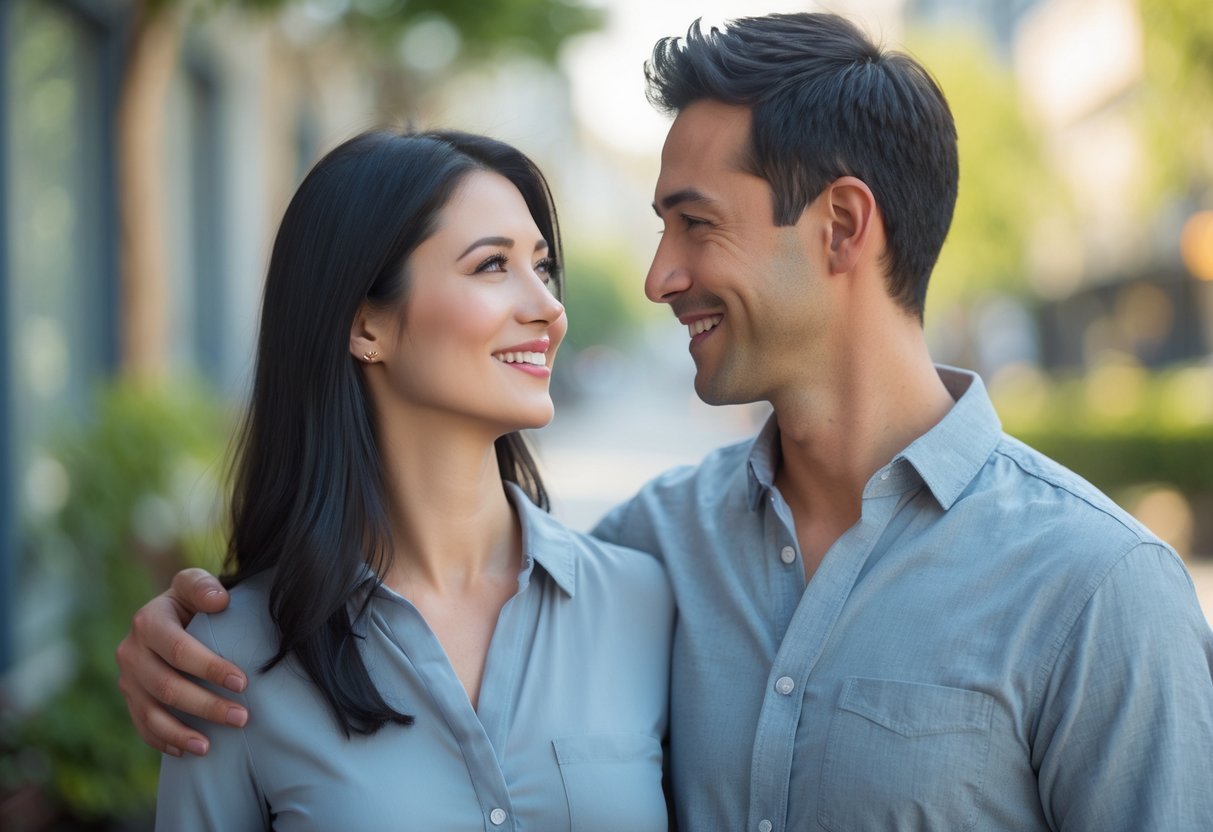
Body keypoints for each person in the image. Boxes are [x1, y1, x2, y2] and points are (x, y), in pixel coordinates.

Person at [119, 13, 1213, 831]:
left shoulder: (1097, 592)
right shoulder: (649, 559)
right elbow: (420, 609)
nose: (654, 278)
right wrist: (186, 640)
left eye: (694, 224)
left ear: (840, 226)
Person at [147, 128, 673, 830]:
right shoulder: (229, 659)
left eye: (541, 268)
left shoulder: (642, 605)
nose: (548, 308)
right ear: (366, 325)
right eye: (492, 266)